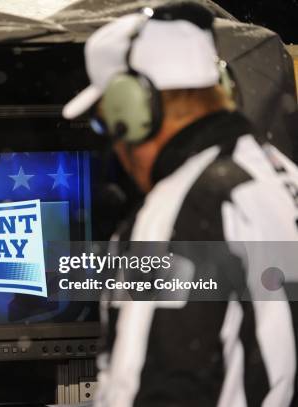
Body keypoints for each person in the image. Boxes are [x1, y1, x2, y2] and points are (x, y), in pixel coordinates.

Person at [63, 2, 298, 406]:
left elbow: (151, 390)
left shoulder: (177, 212)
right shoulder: (282, 177)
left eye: (106, 122)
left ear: (131, 110)